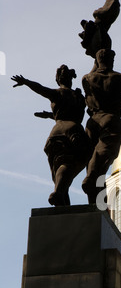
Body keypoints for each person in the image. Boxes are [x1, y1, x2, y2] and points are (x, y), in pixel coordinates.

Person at [11, 65, 91, 206]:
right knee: (70, 165)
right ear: (71, 80)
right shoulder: (79, 97)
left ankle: (59, 193)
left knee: (62, 165)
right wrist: (50, 115)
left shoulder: (58, 93)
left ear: (57, 80)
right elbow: (70, 112)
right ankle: (61, 196)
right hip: (75, 131)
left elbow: (40, 89)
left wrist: (26, 82)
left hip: (57, 132)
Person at [81, 48, 121, 204]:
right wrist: (119, 101)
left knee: (91, 157)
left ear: (97, 61)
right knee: (104, 153)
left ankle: (96, 199)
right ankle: (91, 177)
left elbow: (88, 100)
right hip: (111, 119)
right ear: (112, 60)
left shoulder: (87, 79)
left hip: (92, 122)